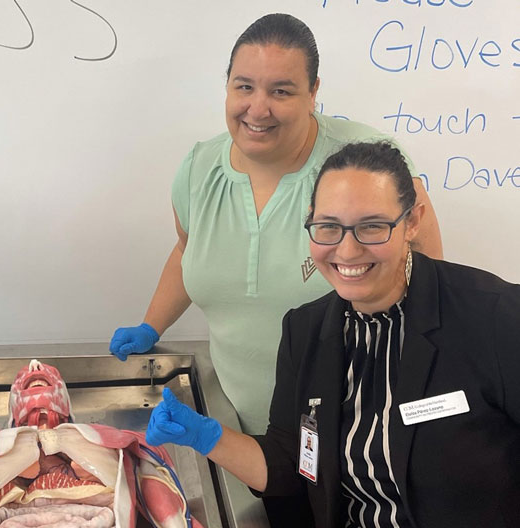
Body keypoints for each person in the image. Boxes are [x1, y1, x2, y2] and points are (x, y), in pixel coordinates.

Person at [146, 141, 520, 528]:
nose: (346, 250)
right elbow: (290, 463)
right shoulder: (307, 333)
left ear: (411, 222)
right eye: (329, 227)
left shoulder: (492, 317)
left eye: (372, 226)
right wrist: (205, 436)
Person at [110, 13, 443, 436]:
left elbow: (428, 277)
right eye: (244, 86)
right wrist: (151, 326)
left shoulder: (365, 164)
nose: (257, 108)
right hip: (235, 422)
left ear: (313, 92)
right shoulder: (199, 168)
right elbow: (187, 250)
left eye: (280, 91)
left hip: (356, 427)